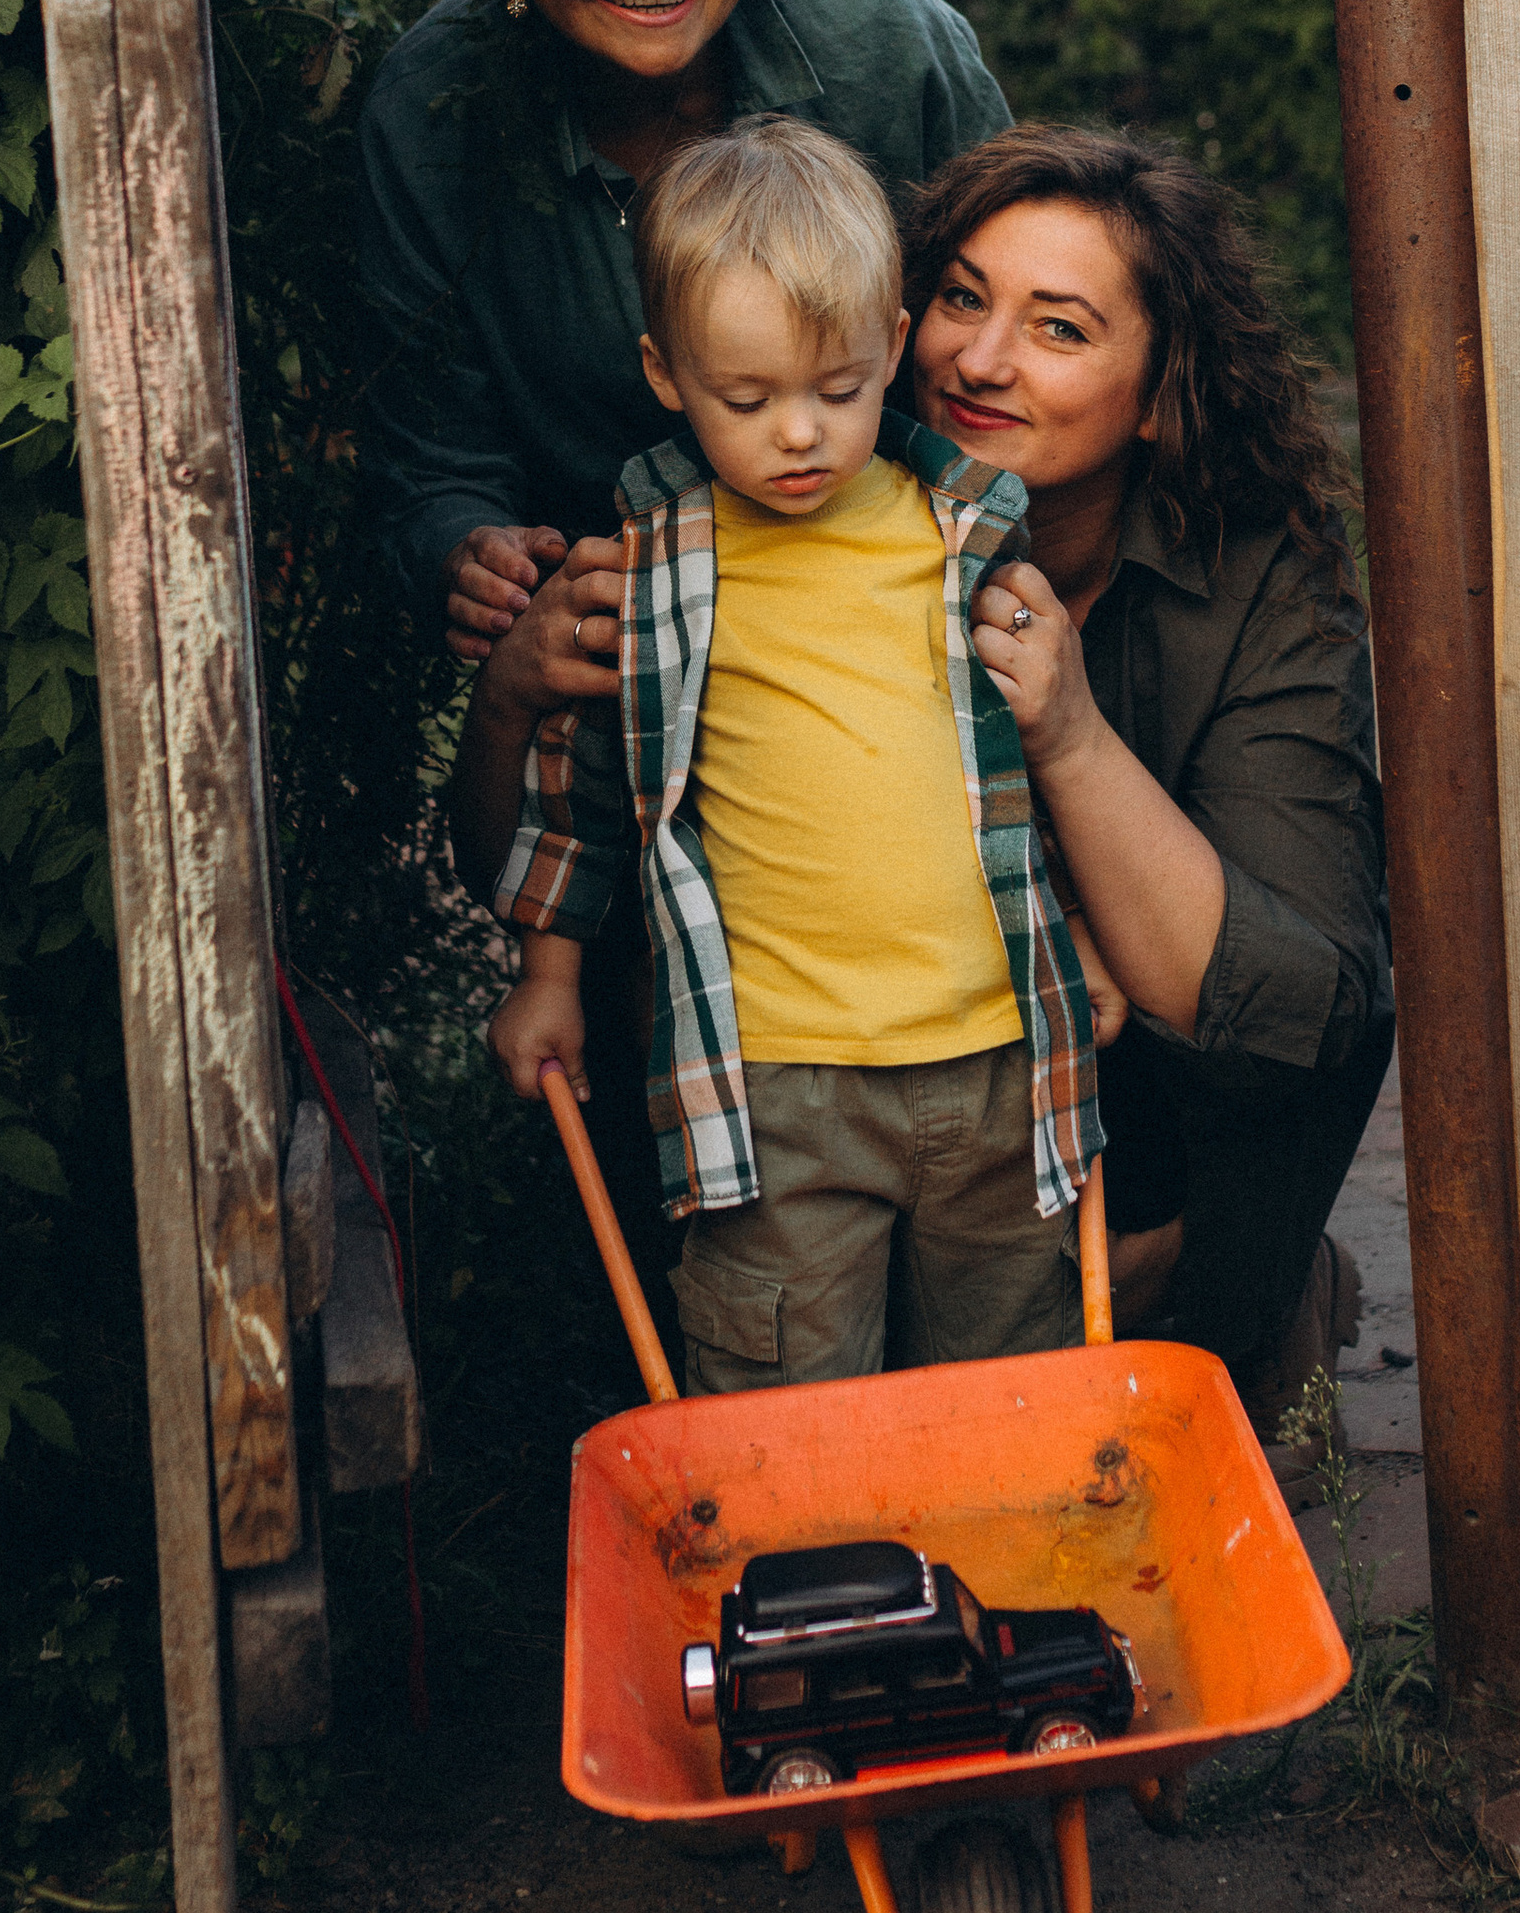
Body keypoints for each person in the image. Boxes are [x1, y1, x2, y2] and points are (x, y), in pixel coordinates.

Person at [459, 118, 1107, 1392]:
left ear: (895, 341)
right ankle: (820, 1591)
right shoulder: (657, 569)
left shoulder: (959, 536)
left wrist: (1082, 937)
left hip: (998, 1065)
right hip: (771, 1089)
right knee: (787, 1400)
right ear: (665, 372)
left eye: (842, 387)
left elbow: (1025, 769)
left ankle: (999, 1597)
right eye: (747, 400)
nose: (800, 435)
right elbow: (582, 790)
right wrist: (548, 973)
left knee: (1006, 1400)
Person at [351, 0, 1012, 660]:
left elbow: (1010, 325)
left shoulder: (878, 30)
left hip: (912, 585)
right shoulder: (434, 111)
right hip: (620, 635)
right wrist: (467, 551)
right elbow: (431, 455)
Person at [898, 126, 1391, 1440]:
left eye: (1057, 330)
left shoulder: (1253, 572)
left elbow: (1300, 1010)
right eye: (959, 298)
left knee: (1298, 1011)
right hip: (899, 1077)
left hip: (1172, 1098)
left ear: (1161, 393)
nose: (980, 361)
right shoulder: (809, 505)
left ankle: (1232, 1319)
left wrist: (1068, 736)